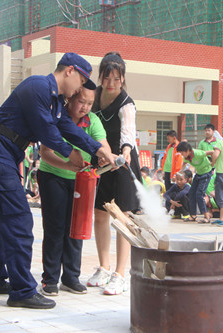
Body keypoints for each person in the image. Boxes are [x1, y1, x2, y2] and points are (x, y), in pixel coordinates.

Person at [0, 52, 116, 309]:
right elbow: (46, 132)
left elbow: (68, 128)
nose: (80, 89)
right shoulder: (38, 86)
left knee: (6, 220)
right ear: (69, 71)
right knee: (19, 220)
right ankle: (22, 291)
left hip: (4, 154)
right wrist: (71, 153)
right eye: (81, 80)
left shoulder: (55, 102)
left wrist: (97, 149)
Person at [37, 87, 110, 297]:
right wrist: (68, 166)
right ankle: (49, 279)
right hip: (53, 176)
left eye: (89, 103)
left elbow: (101, 144)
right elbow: (46, 153)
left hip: (82, 180)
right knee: (55, 228)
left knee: (77, 227)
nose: (85, 107)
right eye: (81, 102)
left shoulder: (92, 120)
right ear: (70, 99)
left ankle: (70, 277)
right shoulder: (57, 117)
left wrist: (106, 155)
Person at [89, 52, 140, 295]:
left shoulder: (126, 103)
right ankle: (104, 267)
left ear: (123, 79)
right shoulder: (93, 96)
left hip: (122, 162)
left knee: (122, 217)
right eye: (107, 78)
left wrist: (126, 151)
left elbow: (128, 132)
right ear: (100, 77)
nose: (111, 84)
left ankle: (120, 274)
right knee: (99, 215)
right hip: (99, 159)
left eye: (116, 79)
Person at [176, 141, 214, 223]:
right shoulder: (186, 157)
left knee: (199, 194)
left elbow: (212, 152)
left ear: (188, 150)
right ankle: (193, 215)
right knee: (191, 193)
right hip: (199, 173)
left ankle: (206, 216)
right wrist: (178, 174)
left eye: (182, 153)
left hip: (206, 173)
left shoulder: (198, 153)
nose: (182, 155)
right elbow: (184, 165)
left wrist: (213, 164)